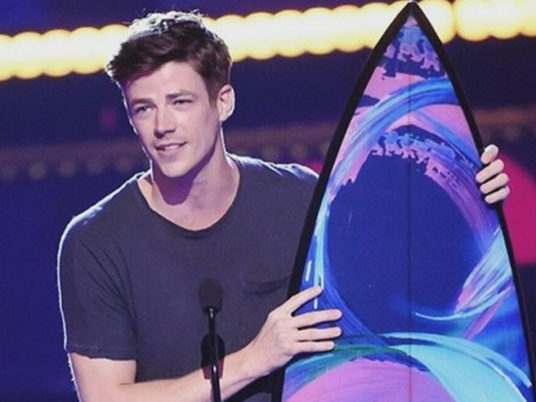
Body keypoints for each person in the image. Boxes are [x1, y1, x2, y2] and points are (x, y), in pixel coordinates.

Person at [57, 11, 510, 402]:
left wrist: (478, 197)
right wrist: (253, 360)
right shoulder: (96, 242)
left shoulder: (300, 199)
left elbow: (403, 294)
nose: (162, 126)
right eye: (143, 108)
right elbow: (106, 398)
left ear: (223, 102)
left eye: (180, 102)